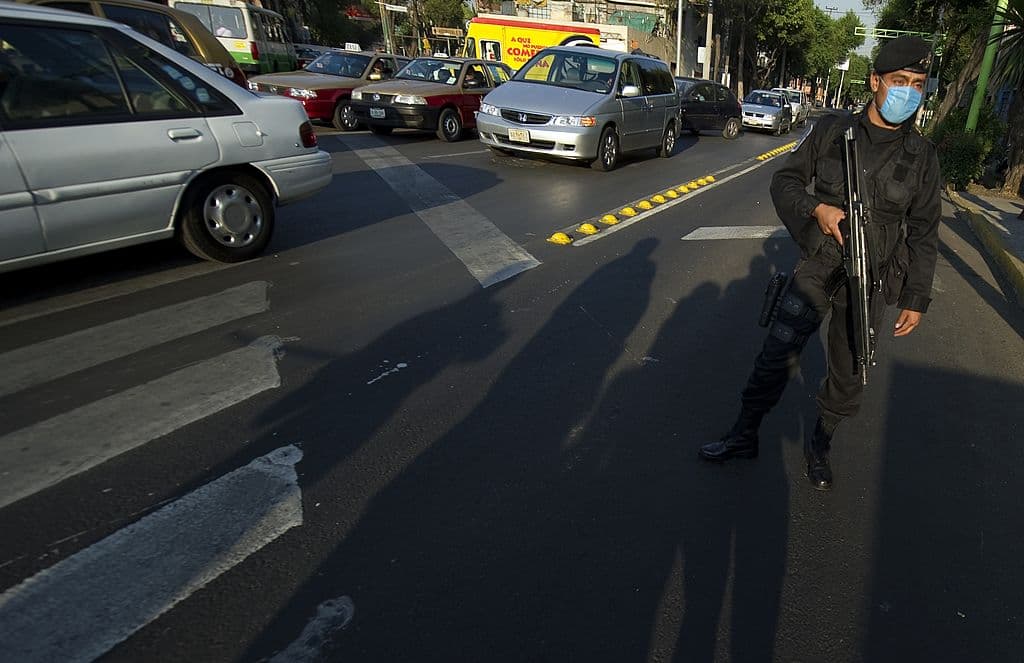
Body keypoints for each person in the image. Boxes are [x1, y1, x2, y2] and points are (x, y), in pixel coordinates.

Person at [698, 36, 942, 491]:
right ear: (875, 82)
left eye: (917, 84)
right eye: (899, 81)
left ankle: (820, 444)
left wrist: (916, 297)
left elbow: (925, 230)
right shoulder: (833, 131)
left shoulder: (922, 156)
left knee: (850, 373)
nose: (908, 91)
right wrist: (817, 210)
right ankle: (743, 434)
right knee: (777, 353)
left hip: (871, 278)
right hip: (821, 262)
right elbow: (785, 181)